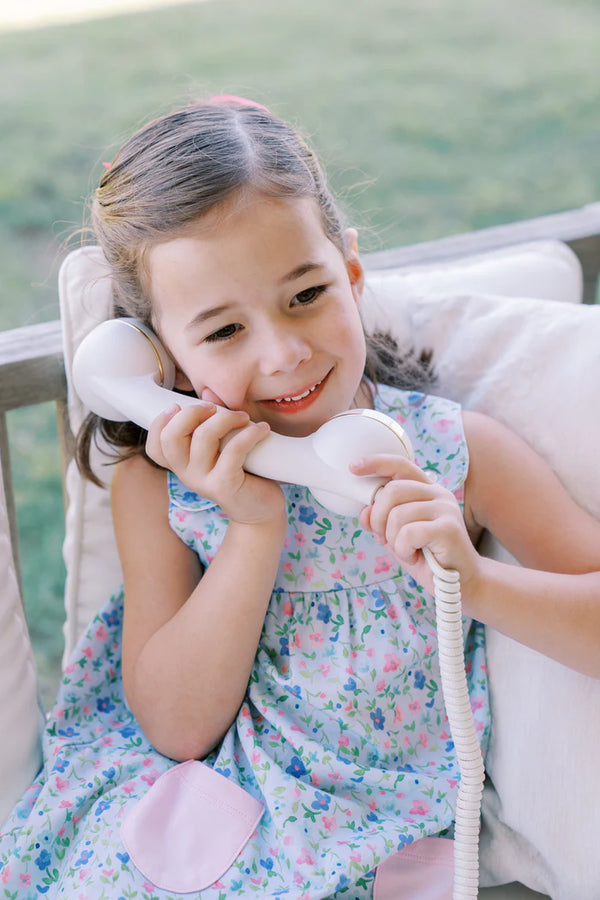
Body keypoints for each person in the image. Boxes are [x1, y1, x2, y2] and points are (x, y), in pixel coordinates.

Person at [1, 96, 600, 900]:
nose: (283, 354)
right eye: (222, 332)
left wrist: (477, 583)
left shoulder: (452, 455)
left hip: (373, 834)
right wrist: (252, 529)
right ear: (163, 362)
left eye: (306, 295)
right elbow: (178, 729)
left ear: (351, 274)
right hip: (202, 800)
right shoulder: (160, 485)